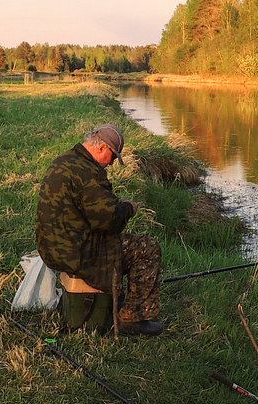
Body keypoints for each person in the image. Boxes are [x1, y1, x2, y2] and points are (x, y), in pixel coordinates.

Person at [35, 123, 165, 336]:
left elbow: (88, 207)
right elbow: (108, 221)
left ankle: (115, 297)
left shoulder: (65, 160)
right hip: (76, 252)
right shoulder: (89, 173)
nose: (112, 164)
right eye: (113, 158)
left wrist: (112, 204)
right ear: (103, 147)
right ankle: (132, 318)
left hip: (52, 248)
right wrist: (127, 208)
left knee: (127, 244)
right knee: (148, 248)